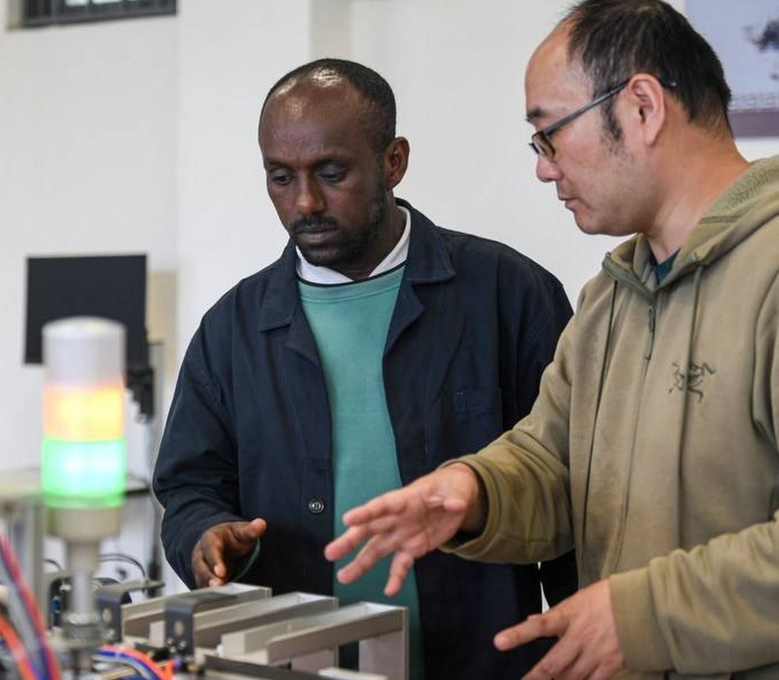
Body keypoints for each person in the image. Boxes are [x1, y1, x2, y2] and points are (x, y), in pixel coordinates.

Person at [325, 2, 779, 679]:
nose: (543, 168)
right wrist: (470, 490)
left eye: (550, 135)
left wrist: (643, 615)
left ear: (643, 108)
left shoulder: (768, 272)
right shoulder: (613, 295)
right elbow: (553, 459)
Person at [153, 58, 576, 680]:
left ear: (393, 161)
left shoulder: (507, 295)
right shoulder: (233, 329)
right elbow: (189, 488)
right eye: (280, 177)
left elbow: (571, 482)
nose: (305, 202)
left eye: (331, 172)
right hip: (294, 661)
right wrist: (207, 537)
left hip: (480, 661)